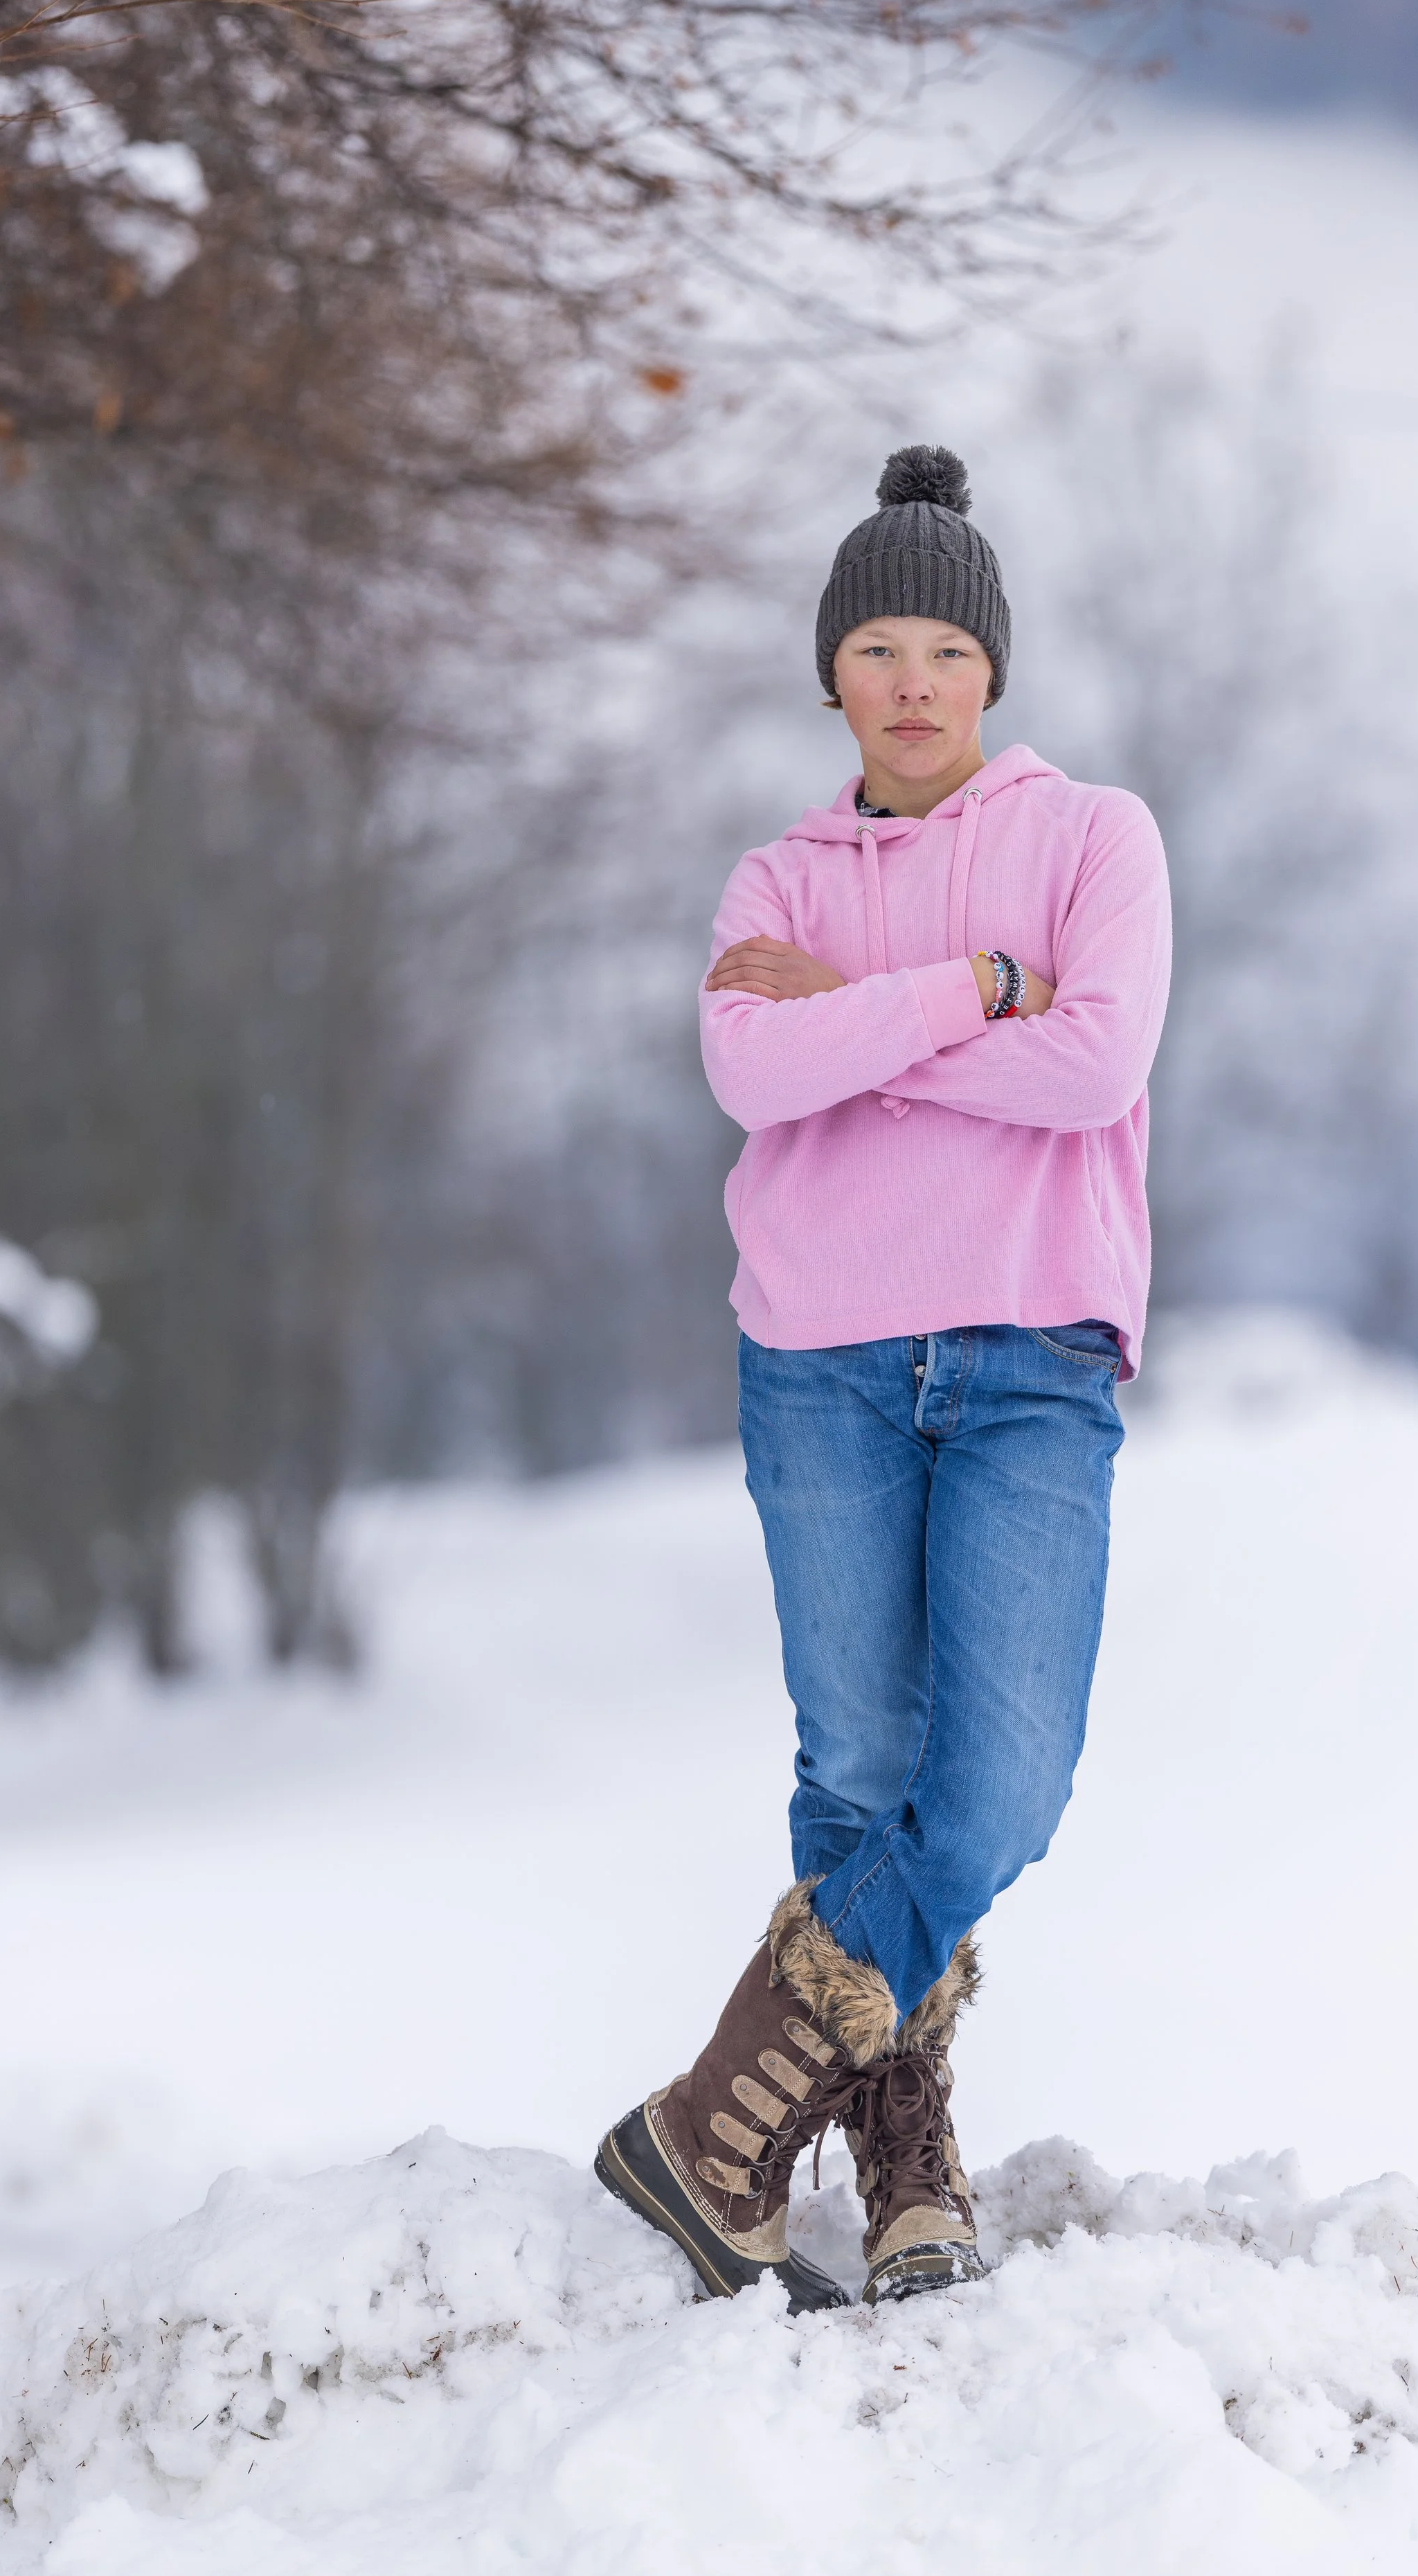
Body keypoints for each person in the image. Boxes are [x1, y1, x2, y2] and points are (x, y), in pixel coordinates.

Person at [596, 443, 1172, 2311]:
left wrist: (849, 1025)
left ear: (989, 670)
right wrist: (960, 992)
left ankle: (708, 2120)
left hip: (1027, 1359)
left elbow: (1091, 1071)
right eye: (875, 647)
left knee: (994, 1780)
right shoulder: (775, 872)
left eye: (943, 645)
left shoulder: (1095, 840)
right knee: (856, 1774)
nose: (911, 680)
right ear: (830, 674)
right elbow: (749, 1080)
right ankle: (905, 2149)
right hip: (821, 1361)